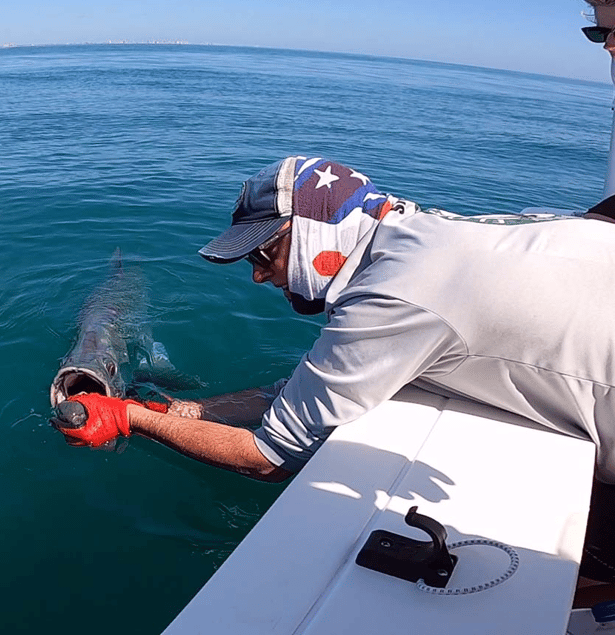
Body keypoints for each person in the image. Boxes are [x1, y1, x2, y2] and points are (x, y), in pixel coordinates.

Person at [53, 156, 615, 583]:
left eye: (261, 255)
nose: (256, 277)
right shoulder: (433, 236)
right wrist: (189, 411)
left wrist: (129, 417)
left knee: (577, 574)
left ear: (317, 235)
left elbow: (269, 458)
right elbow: (299, 391)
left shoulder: (393, 297)